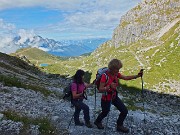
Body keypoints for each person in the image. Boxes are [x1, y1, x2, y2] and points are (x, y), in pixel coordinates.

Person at [94, 59, 143, 133]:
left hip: (114, 96)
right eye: (117, 69)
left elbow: (126, 77)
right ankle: (97, 121)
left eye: (119, 69)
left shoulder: (116, 74)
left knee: (124, 111)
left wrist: (137, 76)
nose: (118, 71)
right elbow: (100, 89)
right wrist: (109, 86)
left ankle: (119, 126)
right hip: (106, 98)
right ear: (112, 68)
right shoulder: (105, 76)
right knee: (105, 112)